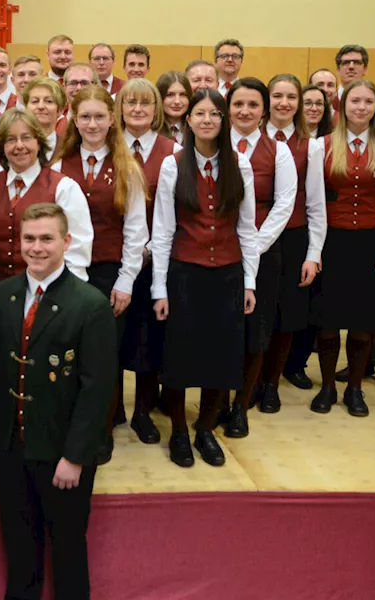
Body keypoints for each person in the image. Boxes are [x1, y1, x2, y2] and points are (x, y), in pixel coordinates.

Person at [0, 203, 116, 600]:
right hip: (11, 449)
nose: (36, 248)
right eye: (29, 239)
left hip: (62, 455)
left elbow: (97, 390)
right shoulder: (1, 295)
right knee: (20, 554)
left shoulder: (90, 304)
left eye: (47, 239)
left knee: (68, 554)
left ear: (67, 242)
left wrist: (75, 457)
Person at [150, 88, 258, 466]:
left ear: (224, 120)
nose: (207, 119)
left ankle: (205, 428)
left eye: (215, 113)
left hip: (228, 275)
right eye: (200, 113)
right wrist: (159, 288)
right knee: (180, 357)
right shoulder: (172, 164)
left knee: (221, 358)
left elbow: (247, 230)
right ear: (189, 120)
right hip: (185, 274)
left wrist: (249, 282)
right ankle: (179, 430)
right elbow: (163, 230)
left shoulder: (240, 164)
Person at [50, 86, 148, 462]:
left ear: (112, 120)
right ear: (74, 119)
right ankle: (66, 429)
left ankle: (101, 431)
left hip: (109, 273)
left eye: (99, 116)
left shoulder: (128, 167)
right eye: (85, 116)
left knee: (103, 359)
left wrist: (126, 281)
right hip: (67, 273)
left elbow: (137, 231)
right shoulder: (58, 166)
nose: (92, 124)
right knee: (67, 355)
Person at [308, 79, 375, 417]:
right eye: (355, 102)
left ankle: (354, 388)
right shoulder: (321, 147)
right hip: (333, 242)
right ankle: (326, 386)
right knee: (328, 322)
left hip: (371, 243)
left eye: (368, 102)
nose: (361, 108)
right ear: (342, 106)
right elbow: (315, 204)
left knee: (363, 324)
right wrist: (314, 251)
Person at [222, 78, 296, 438]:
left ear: (263, 110)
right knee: (222, 330)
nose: (245, 111)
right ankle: (218, 400)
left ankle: (241, 406)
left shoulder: (278, 150)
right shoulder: (210, 146)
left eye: (253, 105)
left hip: (264, 251)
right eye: (238, 104)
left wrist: (255, 246)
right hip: (218, 251)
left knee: (256, 330)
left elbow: (285, 204)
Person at [0, 108, 93, 291]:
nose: (19, 146)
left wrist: (66, 297)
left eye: (26, 138)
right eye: (11, 139)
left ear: (39, 143)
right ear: (1, 147)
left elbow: (77, 253)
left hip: (49, 296)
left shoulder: (64, 188)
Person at [257, 74, 326, 411]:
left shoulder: (310, 146)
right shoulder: (247, 140)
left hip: (293, 237)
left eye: (291, 97)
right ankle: (250, 381)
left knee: (285, 317)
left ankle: (272, 383)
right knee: (256, 313)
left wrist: (313, 253)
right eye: (277, 96)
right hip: (255, 238)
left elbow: (315, 204)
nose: (283, 103)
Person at [117, 79, 180, 443]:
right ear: (120, 109)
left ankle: (143, 410)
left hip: (158, 260)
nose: (138, 110)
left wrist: (152, 249)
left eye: (145, 104)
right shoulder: (110, 148)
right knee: (112, 337)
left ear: (157, 109)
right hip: (118, 258)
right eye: (131, 103)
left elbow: (178, 210)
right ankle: (114, 409)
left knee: (147, 338)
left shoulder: (174, 151)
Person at [336, 45, 375, 117]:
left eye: (357, 62)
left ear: (365, 69)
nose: (351, 67)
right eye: (346, 62)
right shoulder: (330, 100)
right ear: (338, 70)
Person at [21, 77, 64, 156]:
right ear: (26, 108)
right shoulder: (15, 147)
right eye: (35, 101)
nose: (41, 106)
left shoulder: (68, 149)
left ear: (60, 110)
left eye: (49, 101)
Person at [60, 63, 98, 132]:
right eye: (73, 83)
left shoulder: (105, 122)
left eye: (85, 83)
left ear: (95, 86)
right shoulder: (55, 121)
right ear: (64, 87)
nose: (79, 88)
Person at [156, 71, 191, 144]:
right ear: (159, 97)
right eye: (170, 95)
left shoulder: (195, 129)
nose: (177, 101)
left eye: (182, 94)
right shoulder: (150, 130)